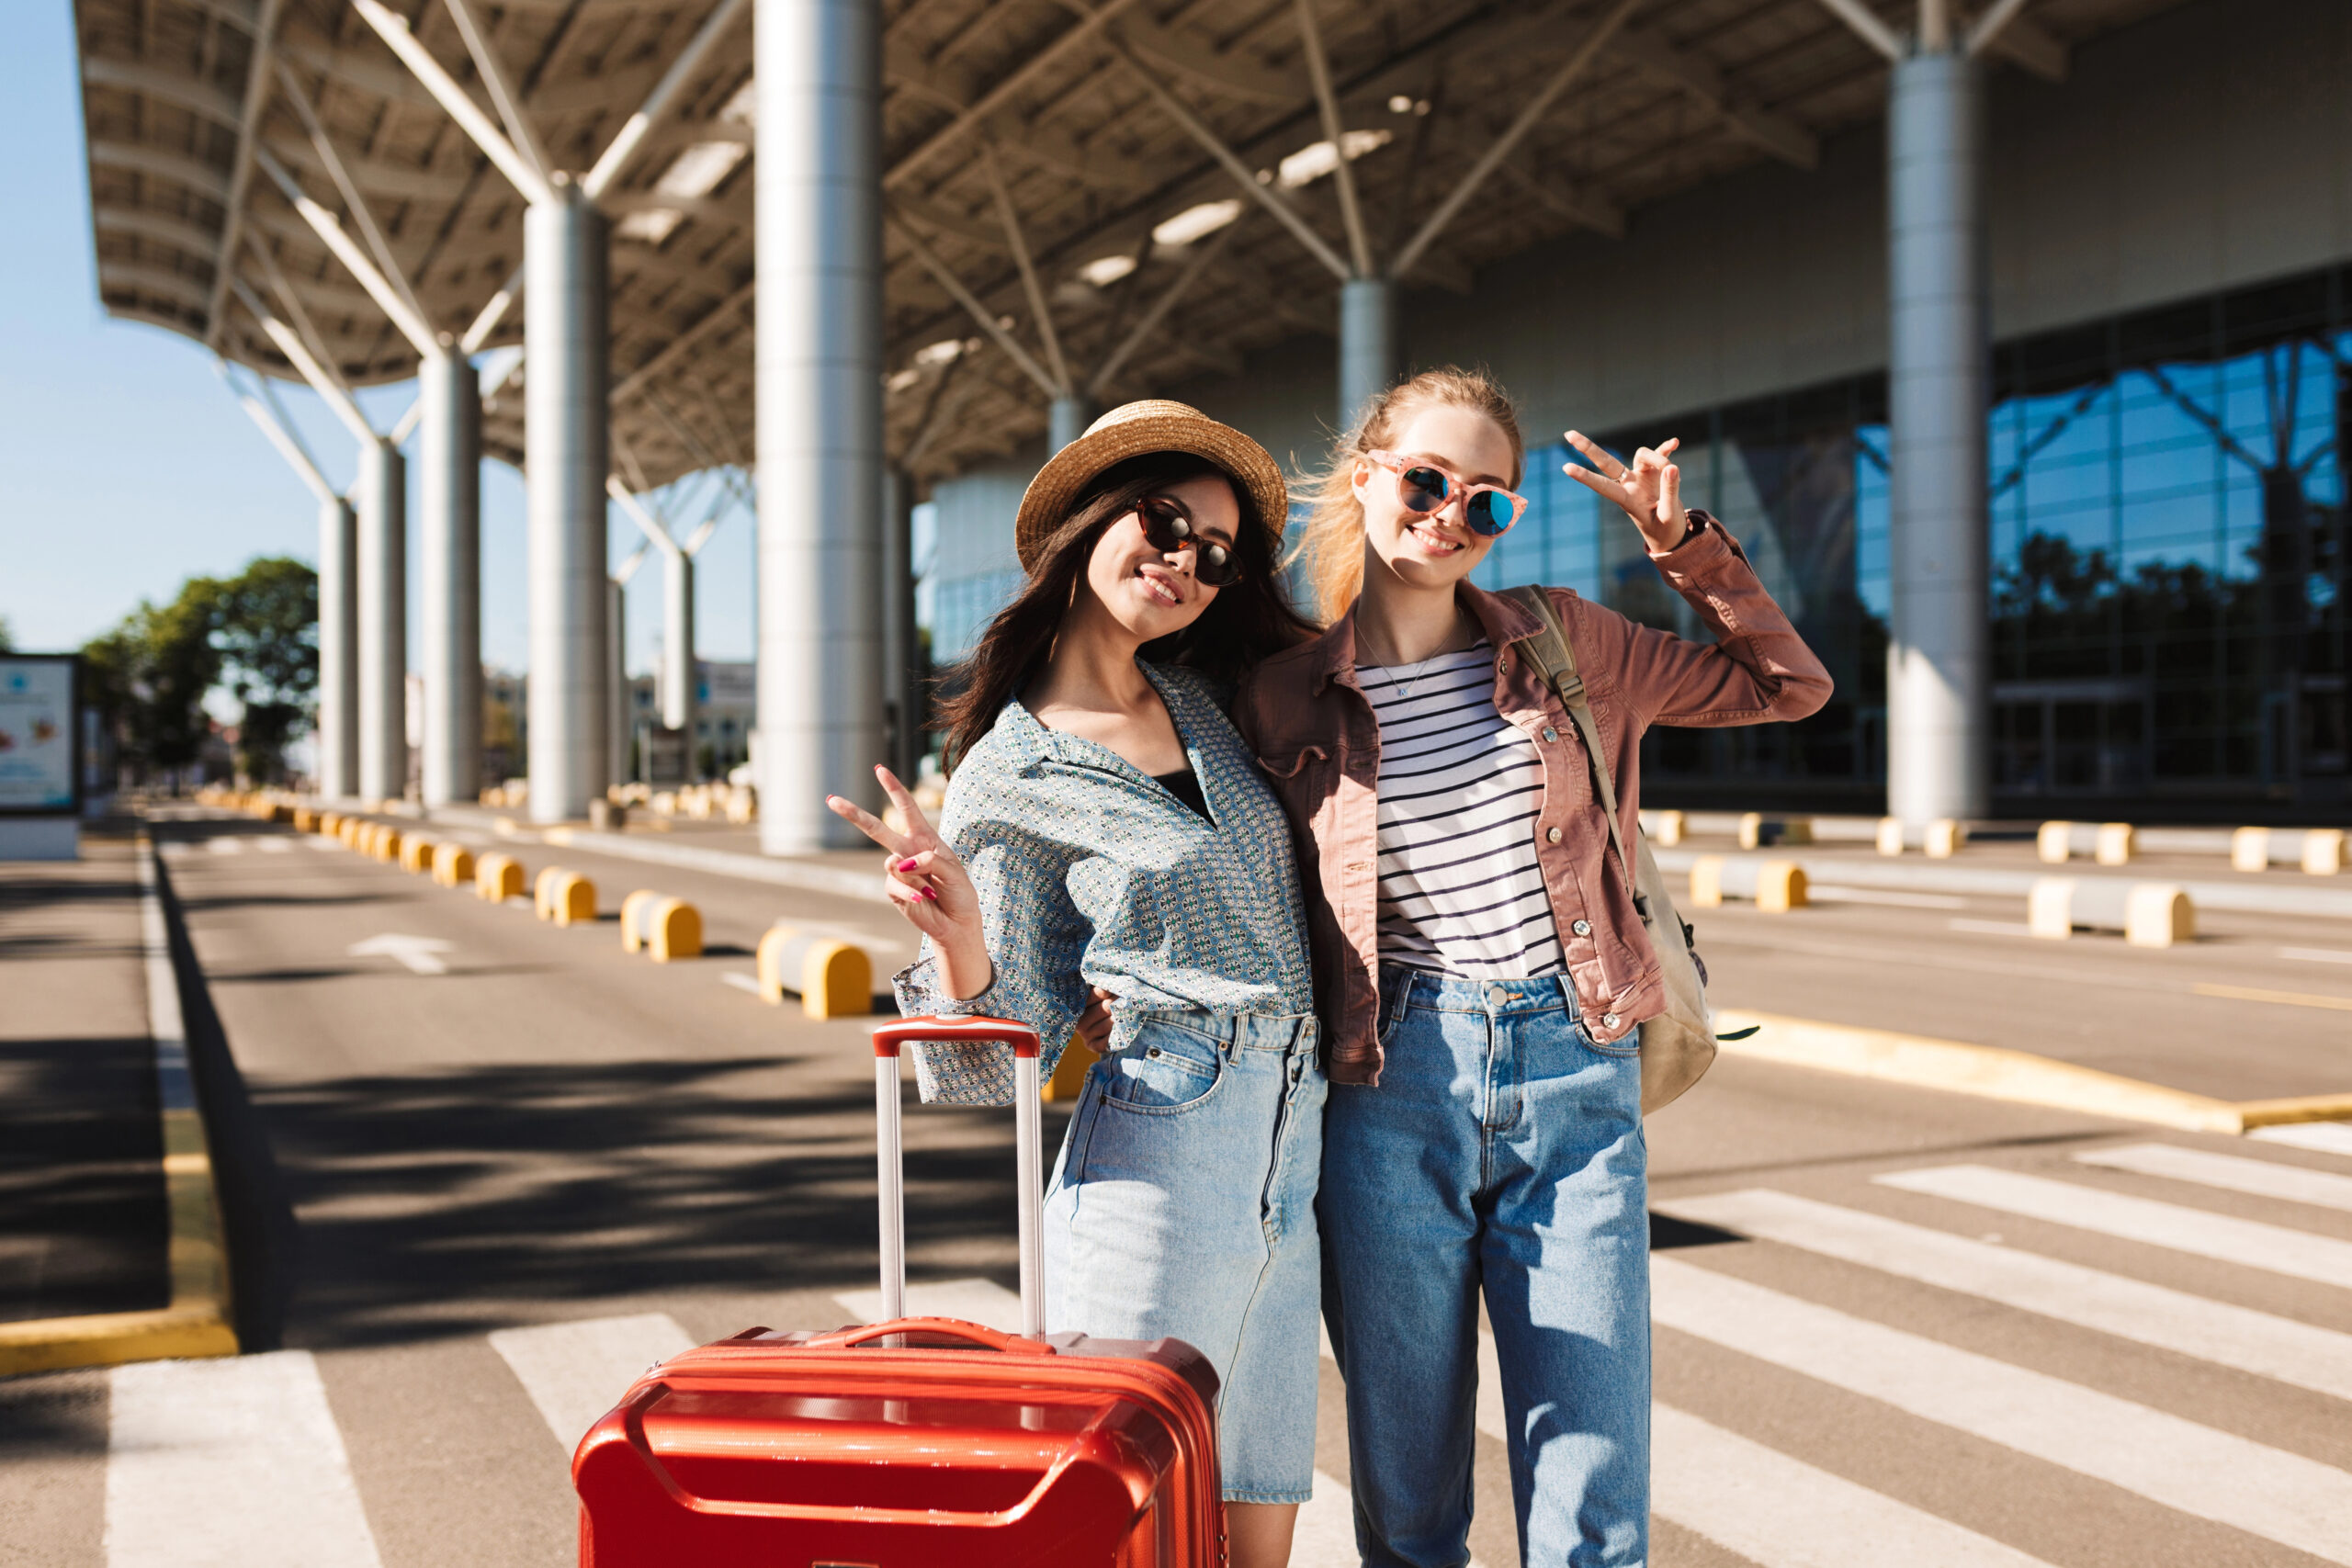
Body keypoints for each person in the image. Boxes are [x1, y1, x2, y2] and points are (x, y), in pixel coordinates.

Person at [1235, 367, 1833, 1568]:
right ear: (1368, 480)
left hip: (1577, 1075)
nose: (1450, 512)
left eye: (1487, 500)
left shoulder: (1568, 639)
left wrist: (1681, 545)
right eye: (1424, 480)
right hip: (1386, 1088)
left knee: (1593, 1489)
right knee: (1410, 1500)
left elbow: (1788, 685)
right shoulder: (1283, 692)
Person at [826, 400, 1325, 1568]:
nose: (1187, 562)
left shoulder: (1210, 704)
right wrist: (958, 945)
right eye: (1164, 521)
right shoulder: (1008, 770)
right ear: (1093, 521)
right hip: (1160, 1161)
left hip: (1288, 1160)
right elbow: (989, 1069)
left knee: (1257, 1537)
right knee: (1126, 1536)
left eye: (1216, 551)